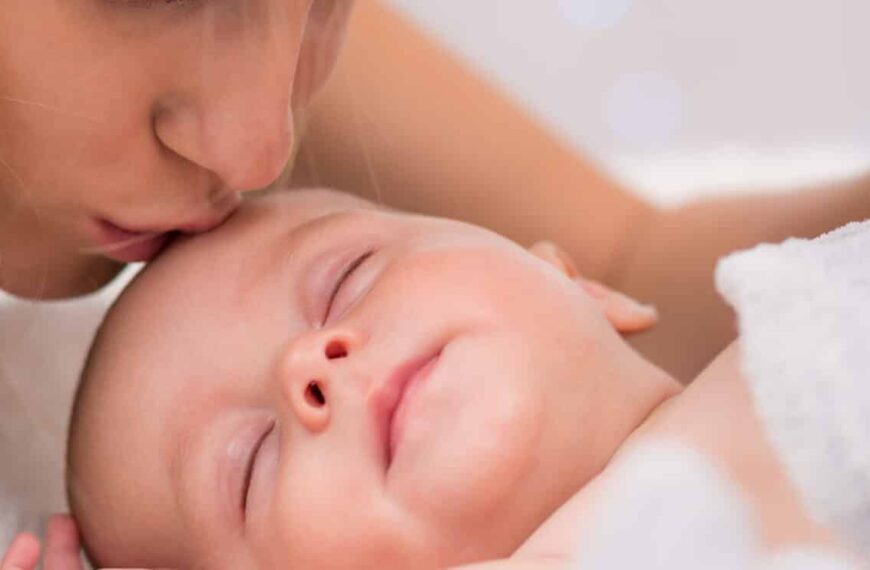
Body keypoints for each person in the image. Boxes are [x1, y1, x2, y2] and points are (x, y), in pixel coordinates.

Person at [2, 0, 870, 562]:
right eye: (249, 465)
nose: (262, 152)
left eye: (324, 4)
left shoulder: (810, 312)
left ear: (574, 283)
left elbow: (633, 253)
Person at [10, 188, 866, 570]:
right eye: (249, 464)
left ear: (576, 281)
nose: (309, 364)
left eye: (345, 280)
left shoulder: (810, 293)